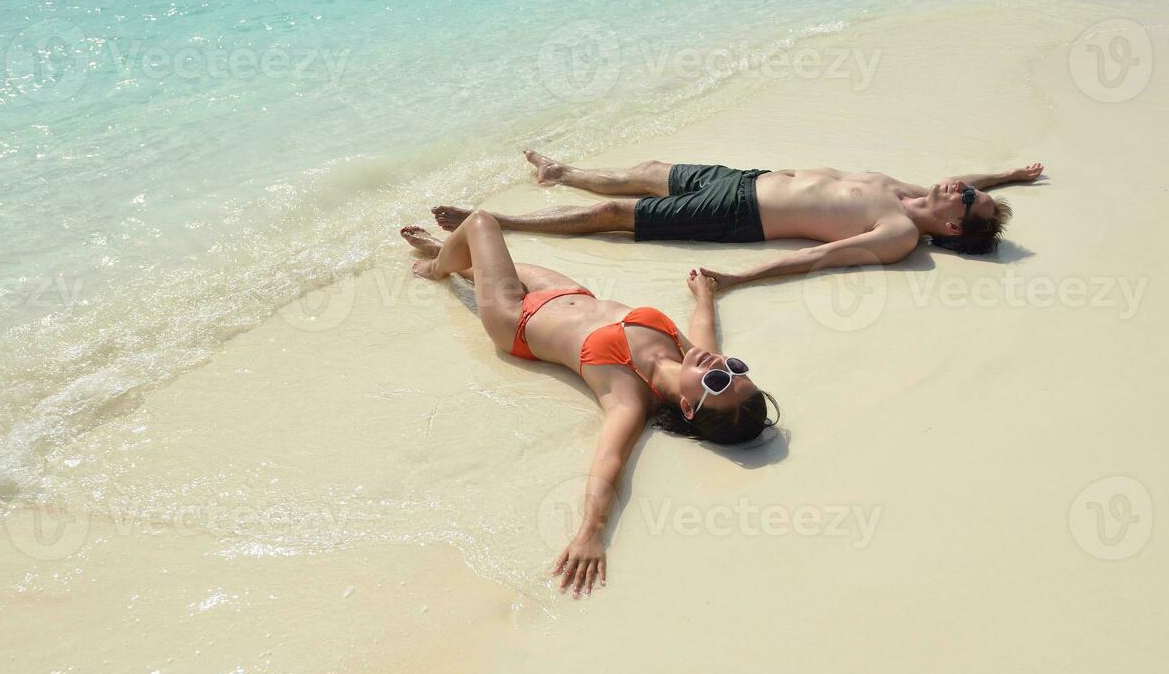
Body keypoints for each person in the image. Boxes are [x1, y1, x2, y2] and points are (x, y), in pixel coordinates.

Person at [401, 212, 779, 597]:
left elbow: (610, 461)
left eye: (718, 382)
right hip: (570, 294)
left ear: (687, 407)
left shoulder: (629, 397)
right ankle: (453, 257)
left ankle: (437, 265)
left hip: (514, 319)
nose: (720, 366)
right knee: (487, 263)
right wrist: (704, 294)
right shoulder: (696, 359)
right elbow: (704, 327)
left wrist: (591, 533)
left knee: (481, 223)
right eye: (736, 368)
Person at [431, 151, 1045, 289]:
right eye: (968, 188)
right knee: (648, 170)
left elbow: (820, 258)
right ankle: (562, 174)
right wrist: (1010, 178)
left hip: (740, 215)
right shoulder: (913, 193)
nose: (961, 189)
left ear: (956, 228)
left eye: (967, 199)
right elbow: (970, 178)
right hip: (748, 178)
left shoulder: (903, 233)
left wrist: (739, 280)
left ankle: (497, 224)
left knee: (615, 214)